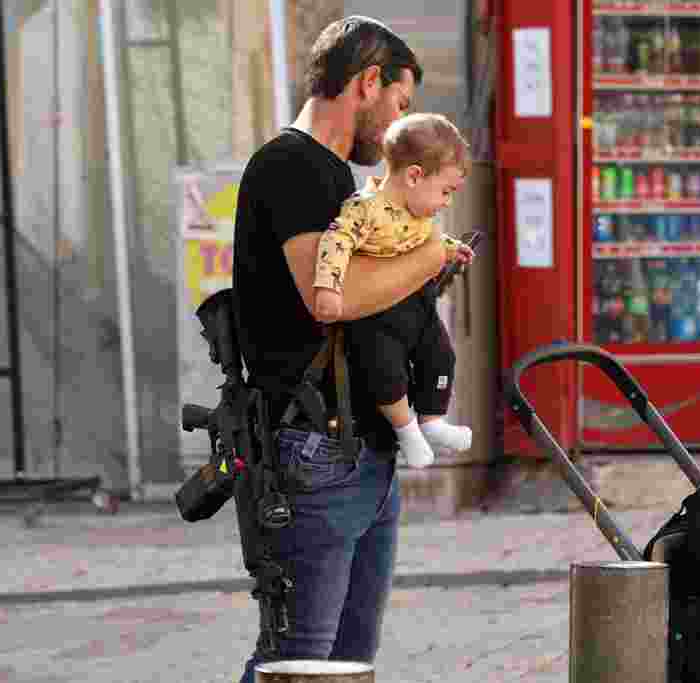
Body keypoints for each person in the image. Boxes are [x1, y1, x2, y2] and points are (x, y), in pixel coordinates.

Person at [231, 17, 446, 682]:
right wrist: (430, 254)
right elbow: (337, 294)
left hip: (360, 452)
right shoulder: (290, 166)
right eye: (400, 106)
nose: (397, 129)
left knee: (347, 665)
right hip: (312, 453)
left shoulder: (336, 179)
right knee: (295, 663)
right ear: (368, 82)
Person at [313, 112, 474, 469]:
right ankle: (407, 430)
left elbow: (423, 239)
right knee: (386, 371)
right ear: (414, 175)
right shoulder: (364, 208)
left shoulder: (419, 216)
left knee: (441, 355)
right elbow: (335, 241)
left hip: (417, 306)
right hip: (377, 311)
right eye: (445, 191)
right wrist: (328, 286)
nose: (447, 201)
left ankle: (433, 420)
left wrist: (450, 248)